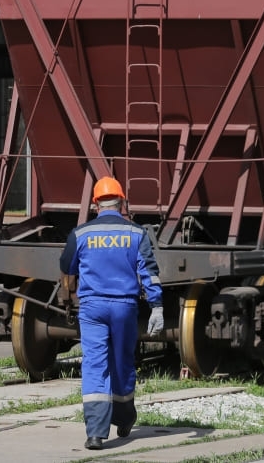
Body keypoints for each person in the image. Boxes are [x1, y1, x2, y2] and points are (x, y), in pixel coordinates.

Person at [59, 176, 164, 451]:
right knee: (122, 362)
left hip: (92, 308)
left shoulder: (80, 234)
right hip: (124, 307)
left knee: (95, 364)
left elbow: (67, 267)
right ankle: (125, 419)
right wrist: (157, 306)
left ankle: (95, 432)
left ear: (96, 204)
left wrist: (71, 293)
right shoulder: (136, 233)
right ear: (122, 203)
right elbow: (149, 273)